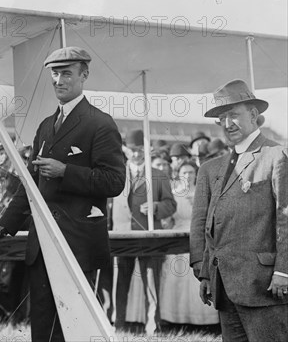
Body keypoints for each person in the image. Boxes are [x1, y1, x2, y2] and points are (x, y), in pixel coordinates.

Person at [0, 46, 126, 341]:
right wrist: (3, 225)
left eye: (66, 73)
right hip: (42, 245)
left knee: (78, 326)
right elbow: (29, 186)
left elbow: (115, 181)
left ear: (84, 75)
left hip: (77, 245)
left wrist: (66, 171)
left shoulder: (100, 123)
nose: (59, 80)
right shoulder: (44, 126)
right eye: (54, 74)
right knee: (43, 326)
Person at [189, 79, 287, 341]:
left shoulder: (276, 156)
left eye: (234, 115)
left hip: (265, 287)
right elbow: (203, 223)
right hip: (223, 289)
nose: (228, 123)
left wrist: (283, 271)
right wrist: (204, 272)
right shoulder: (211, 169)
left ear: (254, 115)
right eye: (222, 118)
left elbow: (285, 220)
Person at [112, 129, 177, 334]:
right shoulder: (116, 173)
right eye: (132, 150)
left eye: (140, 150)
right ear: (126, 150)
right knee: (120, 283)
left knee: (151, 282)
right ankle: (118, 325)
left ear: (146, 150)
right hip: (122, 237)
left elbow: (171, 204)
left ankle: (153, 327)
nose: (137, 155)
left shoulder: (157, 175)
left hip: (149, 237)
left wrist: (156, 207)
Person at [159, 160, 219, 325]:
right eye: (184, 173)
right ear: (178, 175)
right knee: (178, 277)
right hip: (179, 240)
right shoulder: (174, 194)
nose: (188, 176)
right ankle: (176, 318)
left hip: (200, 240)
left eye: (191, 172)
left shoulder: (205, 193)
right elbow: (168, 220)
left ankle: (204, 320)